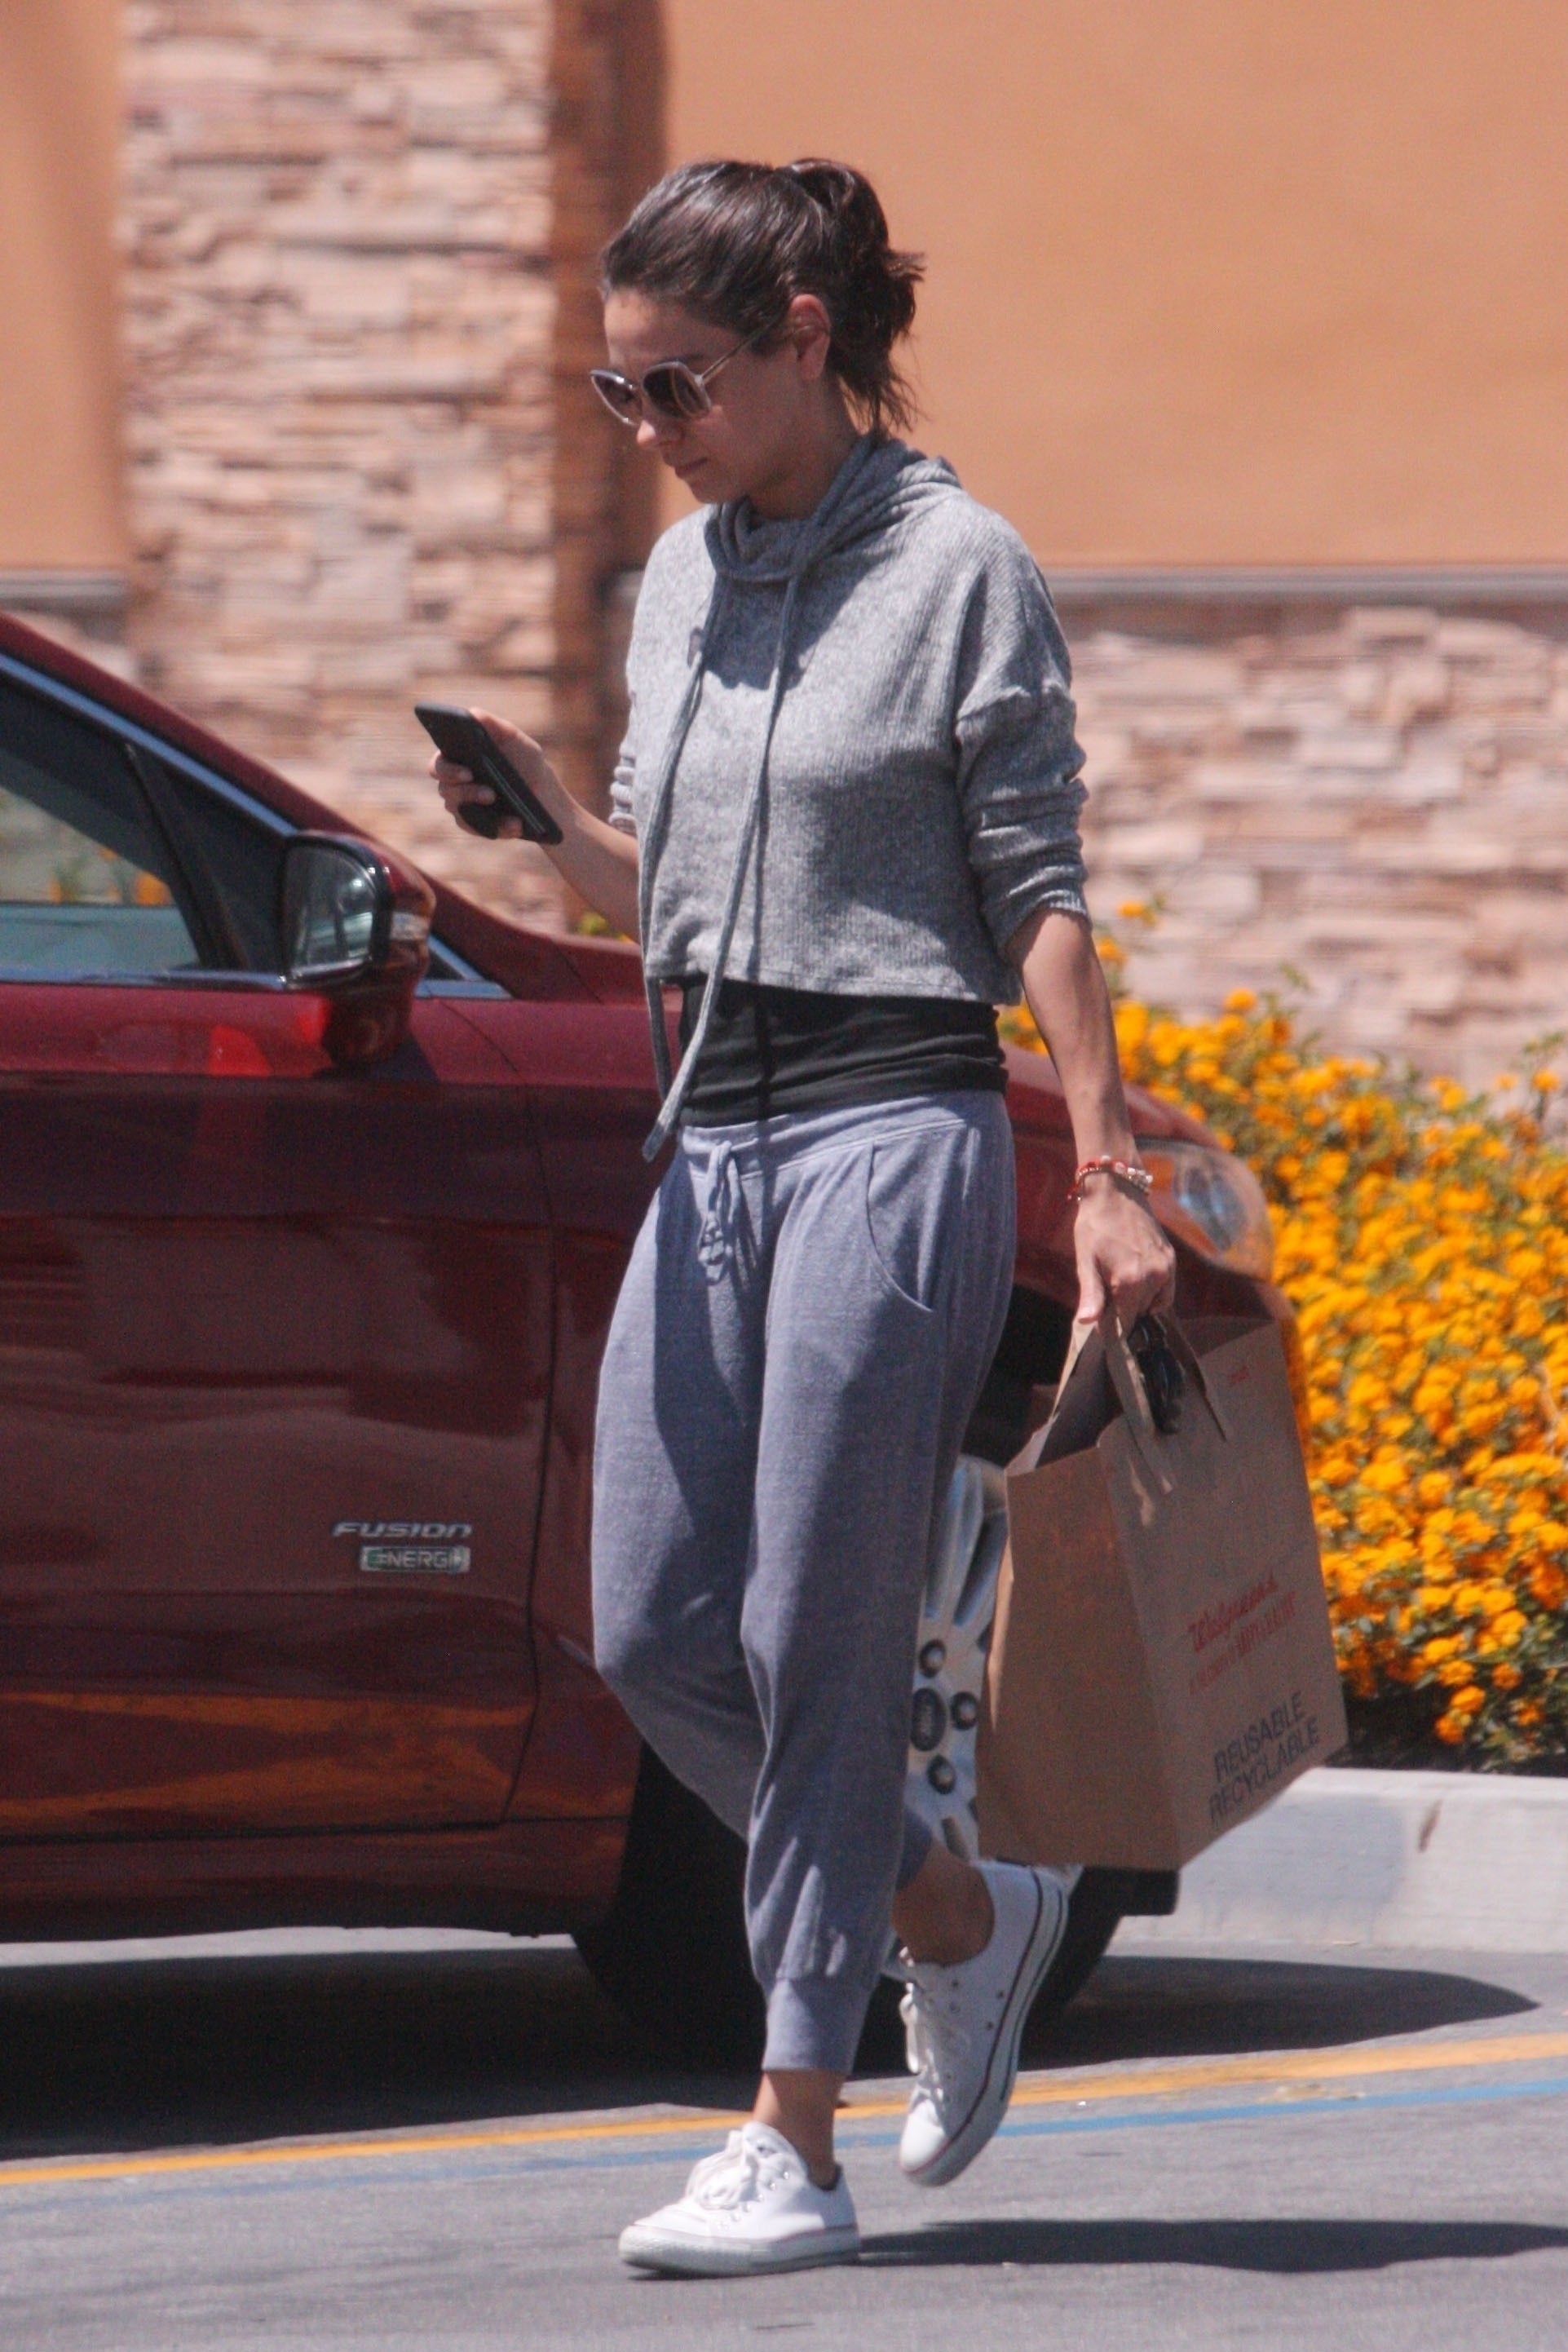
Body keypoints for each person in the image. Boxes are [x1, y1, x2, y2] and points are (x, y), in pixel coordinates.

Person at [431, 157, 1176, 2277]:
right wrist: (544, 823)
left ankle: (791, 2131)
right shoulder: (679, 579)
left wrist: (1108, 1172)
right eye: (617, 389)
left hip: (888, 1131)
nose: (647, 428)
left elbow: (1036, 890)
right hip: (713, 1144)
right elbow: (662, 890)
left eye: (677, 384)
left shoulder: (957, 568)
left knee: (813, 1635)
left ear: (803, 343)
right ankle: (954, 1907)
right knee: (656, 1629)